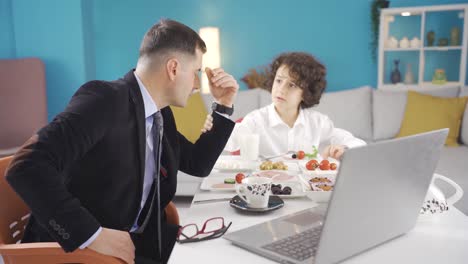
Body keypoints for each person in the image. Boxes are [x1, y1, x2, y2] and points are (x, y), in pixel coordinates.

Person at [5, 19, 238, 264]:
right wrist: (91, 235)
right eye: (196, 72)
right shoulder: (103, 100)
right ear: (173, 68)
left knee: (225, 252)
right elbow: (26, 166)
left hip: (144, 240)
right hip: (86, 251)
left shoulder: (160, 112)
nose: (197, 83)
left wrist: (223, 106)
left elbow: (196, 163)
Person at [216, 52, 365, 160]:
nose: (281, 89)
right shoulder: (256, 120)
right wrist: (220, 112)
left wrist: (343, 149)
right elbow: (228, 142)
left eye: (292, 85)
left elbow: (358, 144)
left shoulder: (318, 123)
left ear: (306, 92)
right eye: (279, 81)